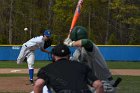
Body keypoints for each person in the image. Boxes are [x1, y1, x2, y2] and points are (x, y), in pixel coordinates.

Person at [64, 26, 117, 93]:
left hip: (105, 84)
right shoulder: (78, 51)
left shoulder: (91, 48)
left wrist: (71, 43)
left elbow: (86, 42)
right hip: (95, 85)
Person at [33, 44, 104, 93]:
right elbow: (99, 85)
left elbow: (38, 84)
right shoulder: (82, 66)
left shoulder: (46, 69)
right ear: (69, 55)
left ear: (53, 56)